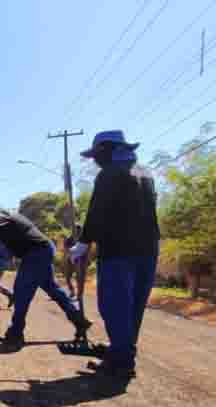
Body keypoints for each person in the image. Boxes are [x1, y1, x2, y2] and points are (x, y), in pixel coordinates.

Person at [70, 130, 159, 379]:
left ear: (105, 150)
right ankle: (123, 351)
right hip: (148, 250)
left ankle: (120, 362)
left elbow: (98, 210)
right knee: (133, 308)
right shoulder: (145, 172)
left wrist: (83, 243)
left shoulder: (109, 173)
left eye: (96, 155)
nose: (95, 160)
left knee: (113, 306)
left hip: (119, 250)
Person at [0, 202, 91, 349]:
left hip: (37, 252)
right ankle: (79, 320)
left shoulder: (1, 216)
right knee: (52, 289)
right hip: (40, 251)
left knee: (21, 292)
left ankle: (15, 334)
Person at [62, 225, 83, 298]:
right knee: (67, 277)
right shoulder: (69, 239)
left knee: (78, 278)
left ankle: (79, 294)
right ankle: (72, 291)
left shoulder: (82, 239)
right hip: (70, 260)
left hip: (78, 260)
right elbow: (66, 249)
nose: (77, 232)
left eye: (79, 230)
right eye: (76, 230)